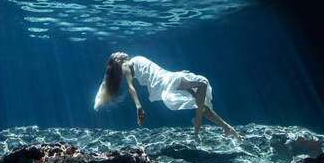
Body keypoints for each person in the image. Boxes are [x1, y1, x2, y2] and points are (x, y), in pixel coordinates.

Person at [94, 52, 241, 139]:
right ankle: (198, 121)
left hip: (168, 77)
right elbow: (131, 88)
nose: (121, 51)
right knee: (201, 87)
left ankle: (226, 127)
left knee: (201, 100)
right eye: (118, 53)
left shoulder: (131, 61)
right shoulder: (126, 65)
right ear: (118, 61)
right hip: (164, 82)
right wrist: (139, 107)